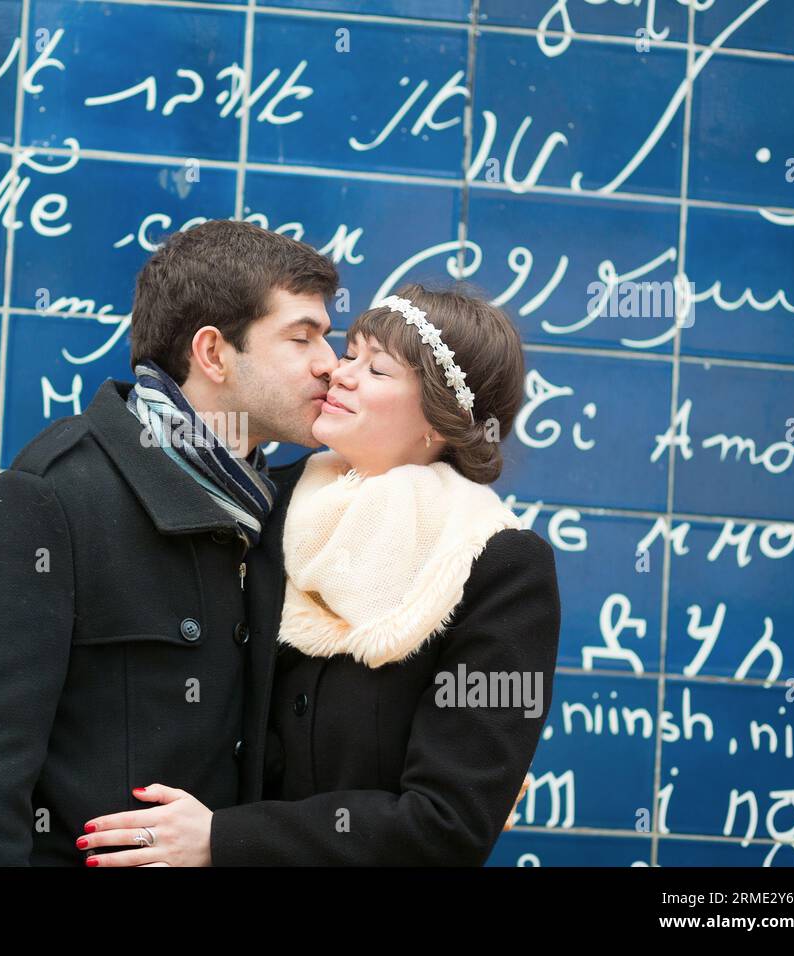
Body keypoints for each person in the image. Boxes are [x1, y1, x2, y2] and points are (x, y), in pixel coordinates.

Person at [75, 282, 561, 866]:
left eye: (377, 369)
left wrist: (222, 840)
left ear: (441, 415)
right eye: (349, 353)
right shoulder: (264, 502)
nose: (340, 373)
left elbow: (450, 824)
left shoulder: (496, 563)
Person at [0, 219, 340, 864]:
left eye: (327, 339)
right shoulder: (50, 499)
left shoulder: (285, 511)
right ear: (213, 353)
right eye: (301, 338)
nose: (330, 364)